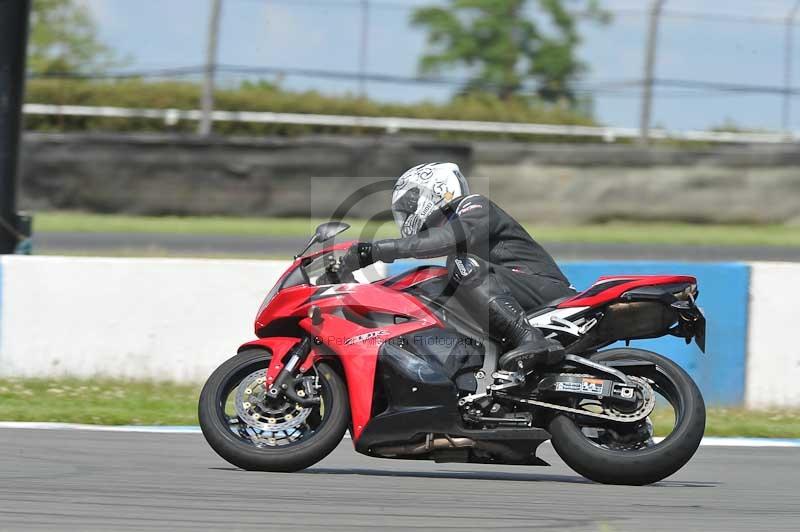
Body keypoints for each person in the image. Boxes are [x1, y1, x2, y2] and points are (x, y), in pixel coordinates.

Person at [342, 162, 575, 373]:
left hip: (545, 288)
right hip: (516, 290)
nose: (405, 216)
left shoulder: (474, 204)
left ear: (435, 190)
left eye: (408, 206)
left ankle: (528, 336)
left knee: (462, 265)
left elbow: (446, 239)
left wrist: (377, 250)